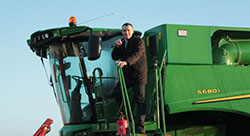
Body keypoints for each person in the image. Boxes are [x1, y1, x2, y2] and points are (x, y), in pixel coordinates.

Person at [111, 23, 147, 134]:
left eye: (128, 30)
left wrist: (126, 62)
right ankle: (127, 116)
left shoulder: (139, 42)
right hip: (127, 76)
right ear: (122, 32)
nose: (126, 32)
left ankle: (140, 126)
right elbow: (114, 56)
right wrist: (117, 47)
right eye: (124, 30)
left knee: (140, 99)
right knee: (117, 93)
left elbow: (137, 55)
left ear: (132, 31)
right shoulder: (122, 43)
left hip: (138, 75)